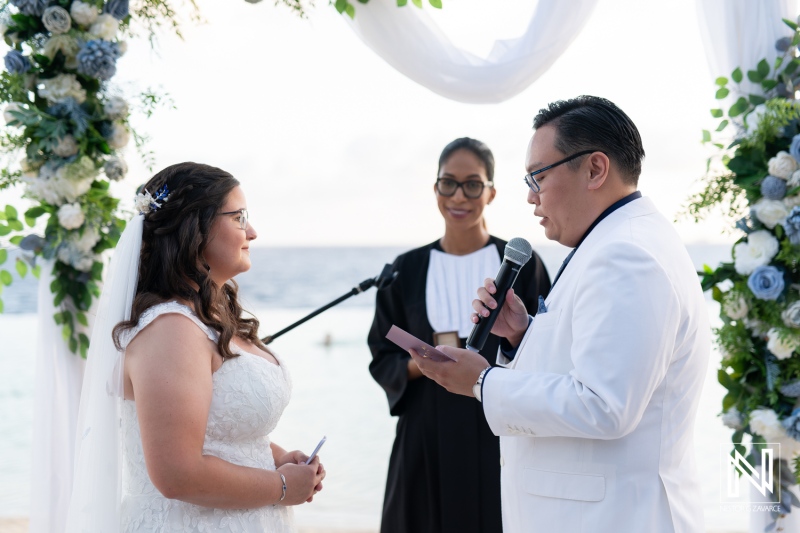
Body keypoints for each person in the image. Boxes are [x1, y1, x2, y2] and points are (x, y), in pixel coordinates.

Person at [409, 97, 710, 533]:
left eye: (539, 176)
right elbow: (592, 362)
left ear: (594, 169)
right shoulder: (614, 241)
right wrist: (521, 335)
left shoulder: (626, 254)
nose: (531, 197)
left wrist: (482, 381)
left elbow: (605, 405)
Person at [66, 162, 325, 532]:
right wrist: (281, 486)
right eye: (238, 217)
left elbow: (219, 432)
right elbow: (177, 474)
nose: (252, 231)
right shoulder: (171, 330)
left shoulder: (210, 317)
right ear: (195, 227)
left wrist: (280, 459)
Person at [368, 138, 551, 533]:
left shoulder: (519, 263)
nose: (459, 196)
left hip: (496, 426)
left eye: (472, 184)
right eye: (448, 183)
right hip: (424, 432)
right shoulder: (406, 268)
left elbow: (547, 348)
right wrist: (422, 366)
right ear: (436, 188)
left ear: (491, 192)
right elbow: (382, 354)